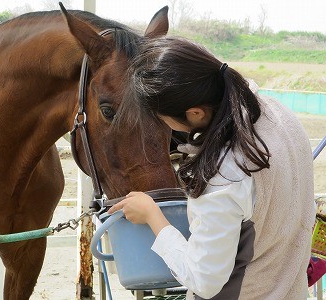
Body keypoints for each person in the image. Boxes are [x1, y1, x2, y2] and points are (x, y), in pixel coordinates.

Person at [108, 37, 316, 299]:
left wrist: (153, 216)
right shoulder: (280, 115)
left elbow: (203, 280)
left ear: (195, 113)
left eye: (162, 119)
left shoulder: (225, 174)